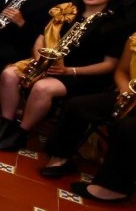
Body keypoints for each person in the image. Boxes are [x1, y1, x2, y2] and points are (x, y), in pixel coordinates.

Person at [0, 0, 126, 152]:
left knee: (42, 87)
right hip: (48, 63)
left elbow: (109, 65)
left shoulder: (115, 25)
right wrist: (41, 59)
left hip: (82, 74)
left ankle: (22, 133)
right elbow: (40, 37)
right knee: (8, 74)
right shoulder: (66, 10)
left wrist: (69, 71)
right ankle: (7, 122)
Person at [39, 31, 136, 201]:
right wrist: (124, 89)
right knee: (78, 106)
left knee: (128, 128)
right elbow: (121, 71)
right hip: (130, 94)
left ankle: (114, 188)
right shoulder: (134, 38)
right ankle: (60, 159)